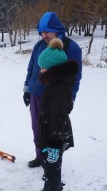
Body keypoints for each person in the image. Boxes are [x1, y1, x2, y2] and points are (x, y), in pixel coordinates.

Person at [23, 12, 82, 168]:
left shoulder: (71, 48)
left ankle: (52, 164)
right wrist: (27, 89)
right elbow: (31, 69)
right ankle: (40, 156)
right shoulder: (39, 45)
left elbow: (76, 75)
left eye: (47, 31)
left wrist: (71, 97)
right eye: (41, 31)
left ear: (57, 30)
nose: (44, 35)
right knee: (37, 128)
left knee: (54, 132)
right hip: (36, 96)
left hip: (55, 98)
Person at [31, 38, 79, 191]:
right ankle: (54, 189)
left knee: (52, 168)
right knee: (50, 165)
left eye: (43, 68)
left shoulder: (58, 89)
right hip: (51, 134)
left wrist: (54, 144)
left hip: (55, 137)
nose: (41, 70)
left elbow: (59, 118)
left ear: (53, 70)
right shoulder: (58, 85)